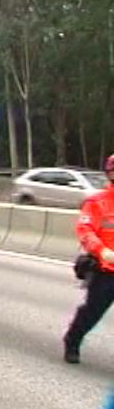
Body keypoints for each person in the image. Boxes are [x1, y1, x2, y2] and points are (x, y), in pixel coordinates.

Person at [63, 153, 114, 364]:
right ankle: (72, 340)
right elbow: (85, 229)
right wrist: (101, 250)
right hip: (106, 269)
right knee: (93, 311)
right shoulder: (98, 202)